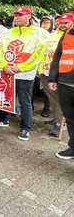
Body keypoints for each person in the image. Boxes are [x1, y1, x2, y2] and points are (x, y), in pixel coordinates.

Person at [0, 6, 47, 141]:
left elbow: (38, 55)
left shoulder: (39, 33)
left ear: (28, 17)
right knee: (5, 97)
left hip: (25, 74)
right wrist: (4, 66)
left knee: (24, 101)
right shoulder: (9, 32)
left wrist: (20, 68)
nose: (16, 17)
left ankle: (25, 128)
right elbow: (1, 52)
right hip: (7, 72)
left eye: (20, 15)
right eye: (15, 15)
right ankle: (2, 119)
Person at [39, 14, 72, 136]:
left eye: (65, 22)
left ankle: (59, 124)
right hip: (45, 72)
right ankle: (56, 119)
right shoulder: (53, 35)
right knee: (52, 99)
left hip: (60, 75)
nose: (61, 24)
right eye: (59, 22)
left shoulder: (68, 37)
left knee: (58, 101)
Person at [48, 12, 74, 158]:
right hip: (64, 84)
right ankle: (73, 147)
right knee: (70, 118)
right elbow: (57, 57)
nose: (63, 25)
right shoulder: (66, 35)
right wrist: (52, 78)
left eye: (66, 22)